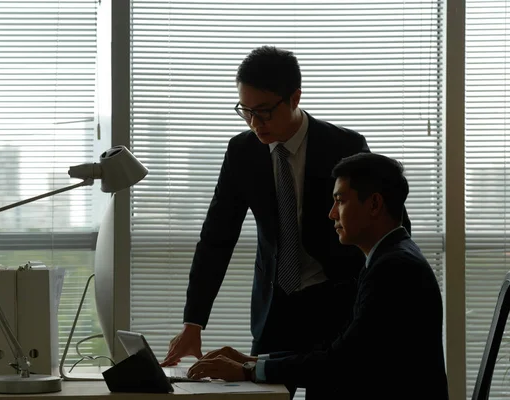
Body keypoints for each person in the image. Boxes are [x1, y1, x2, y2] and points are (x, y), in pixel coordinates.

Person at [161, 46, 411, 367]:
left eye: (264, 111)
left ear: (295, 98)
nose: (255, 123)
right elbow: (216, 238)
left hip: (337, 304)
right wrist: (193, 323)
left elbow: (393, 225)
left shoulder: (344, 146)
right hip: (274, 310)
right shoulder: (243, 152)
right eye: (246, 111)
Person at [186, 153, 449, 400]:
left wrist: (248, 371)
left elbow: (343, 362)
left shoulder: (394, 269)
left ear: (374, 204)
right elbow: (338, 349)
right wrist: (254, 361)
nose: (332, 213)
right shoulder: (389, 259)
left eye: (340, 200)